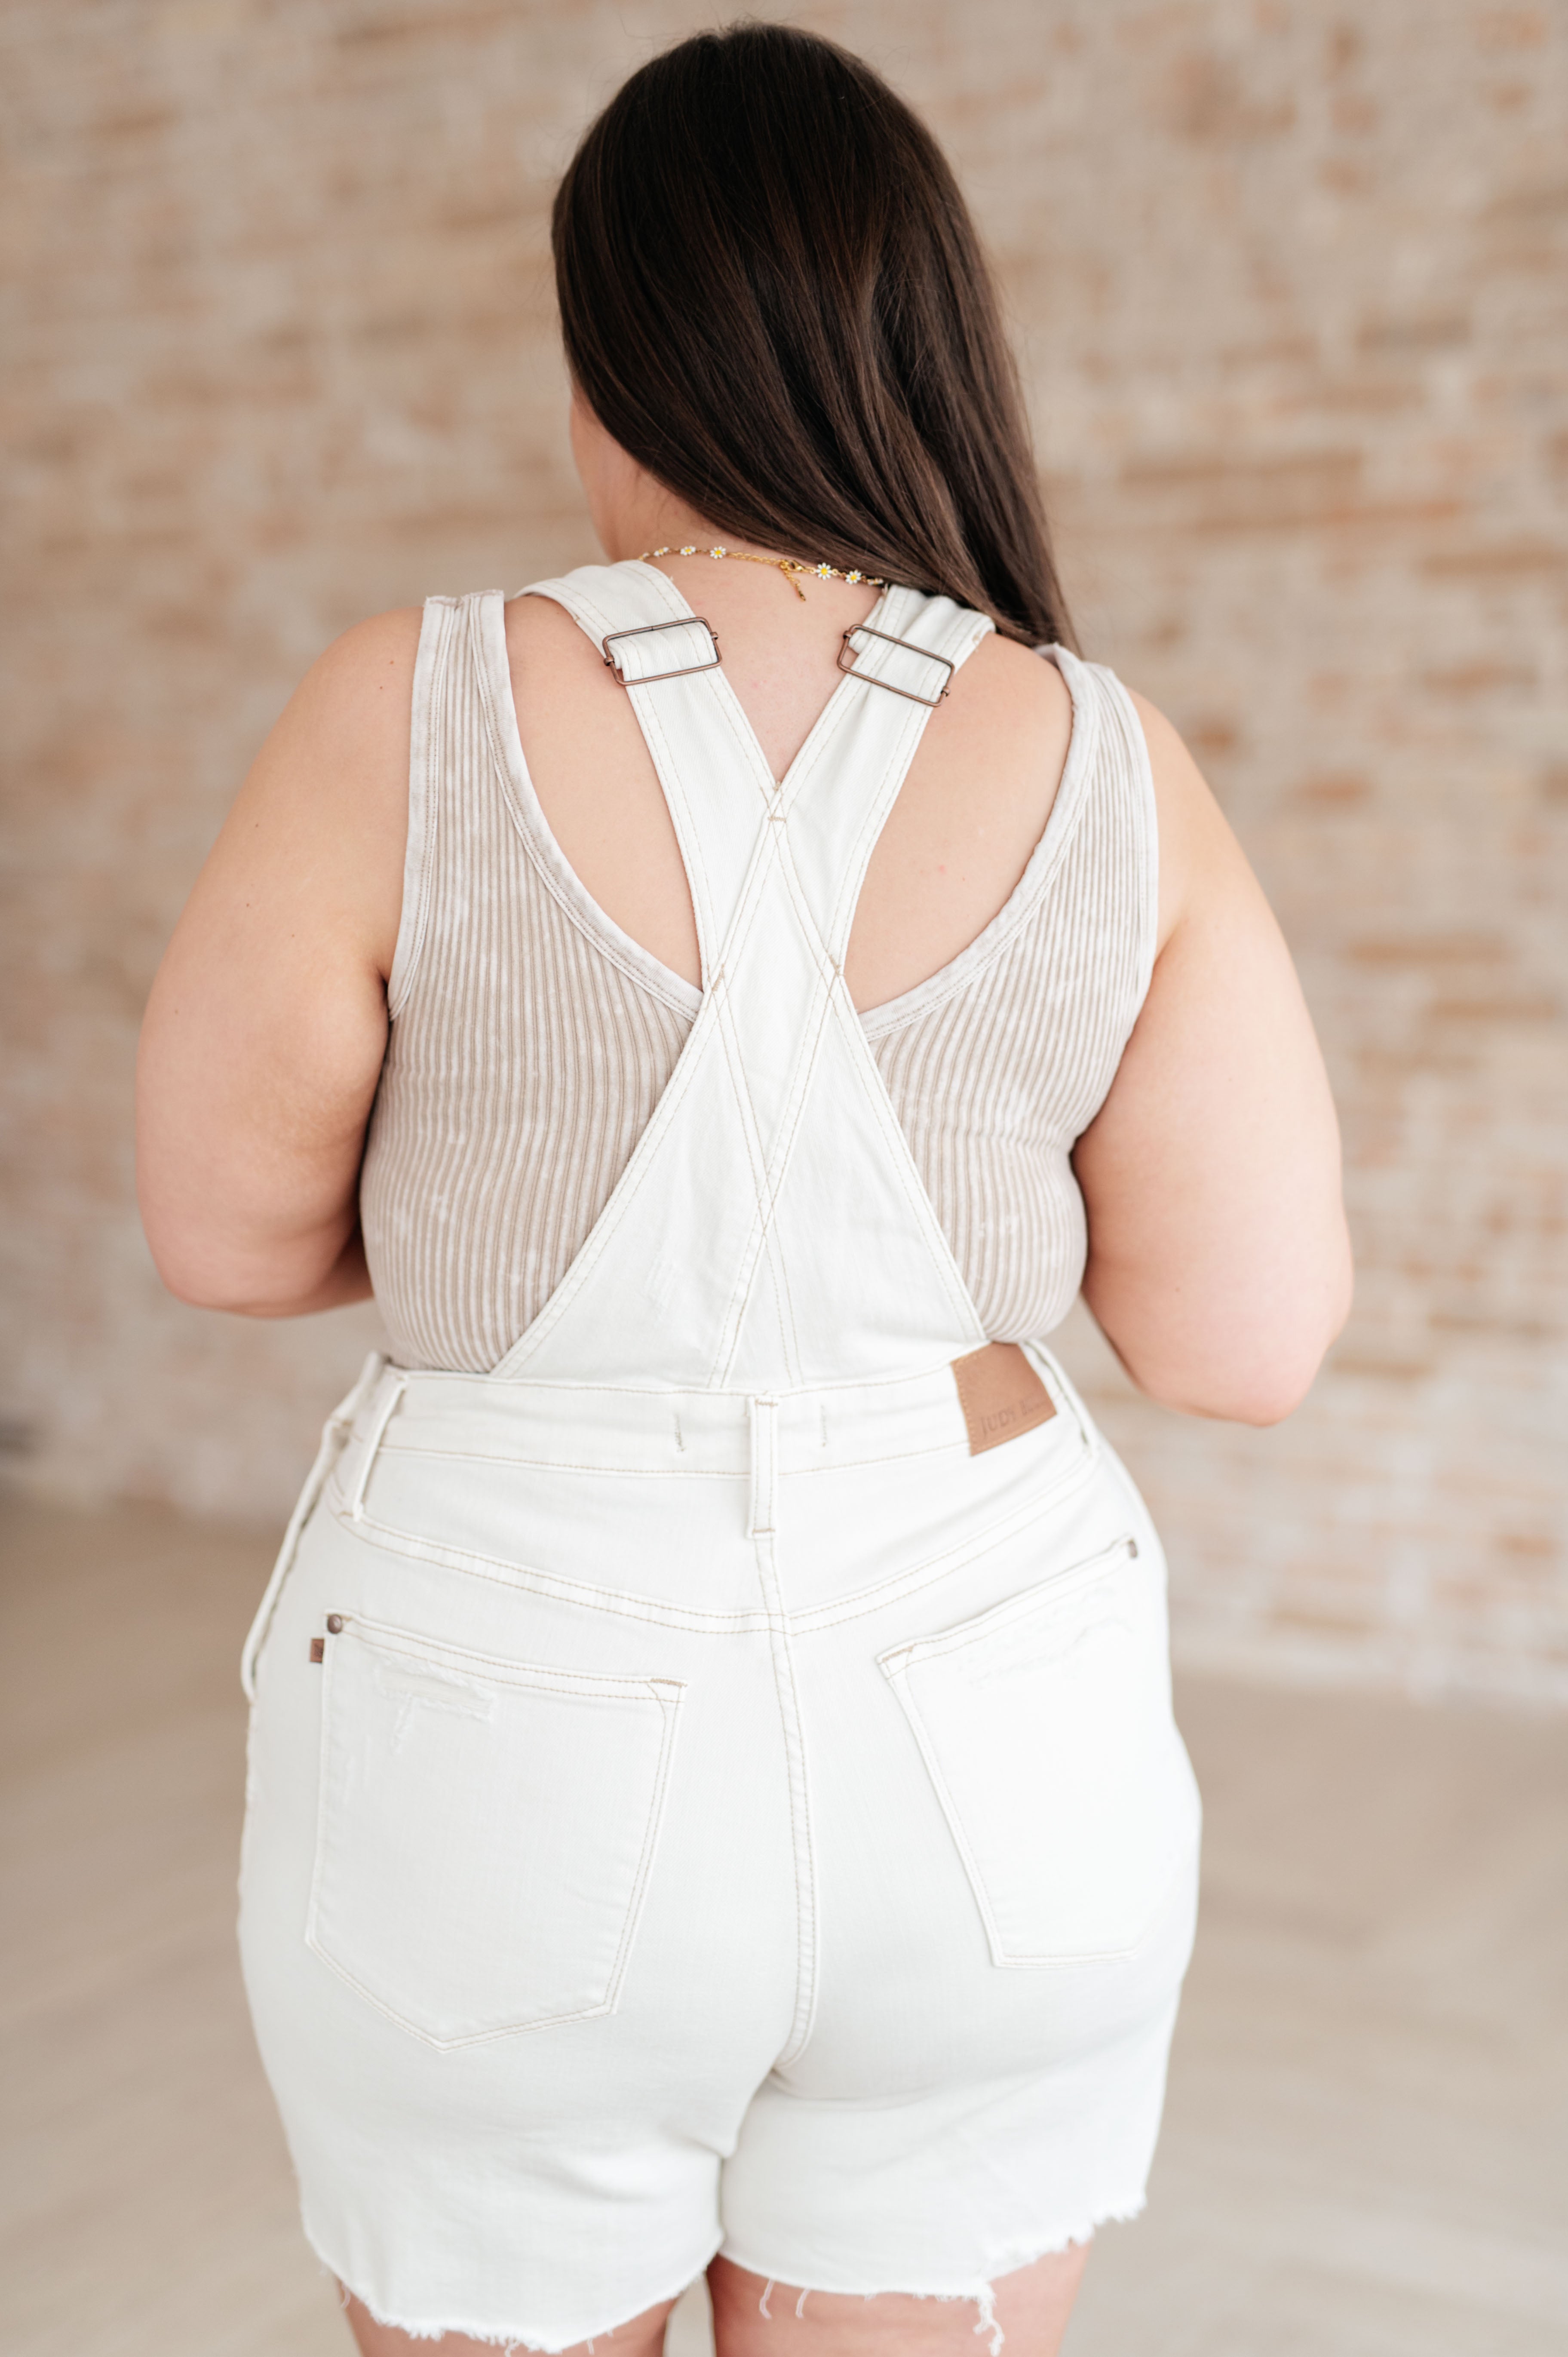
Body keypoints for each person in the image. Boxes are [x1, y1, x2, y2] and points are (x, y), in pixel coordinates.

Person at [135, 24, 1351, 2357]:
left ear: (606, 358)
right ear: (928, 349)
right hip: (990, 1738)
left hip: (503, 1719)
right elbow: (1245, 1343)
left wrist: (507, 1191)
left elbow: (223, 1232)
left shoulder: (409, 706)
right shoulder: (1107, 755)